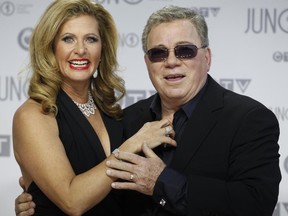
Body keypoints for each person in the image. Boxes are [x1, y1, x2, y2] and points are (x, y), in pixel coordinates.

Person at [15, 4, 281, 216]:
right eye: (159, 53)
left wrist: (163, 182)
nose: (172, 62)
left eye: (185, 51)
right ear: (147, 62)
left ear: (207, 58)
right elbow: (82, 195)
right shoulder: (129, 121)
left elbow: (255, 204)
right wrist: (40, 199)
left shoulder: (248, 119)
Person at [12, 0, 176, 215]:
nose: (80, 50)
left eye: (91, 39)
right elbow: (72, 201)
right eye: (68, 39)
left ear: (102, 50)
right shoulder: (34, 115)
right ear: (50, 47)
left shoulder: (112, 113)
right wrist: (133, 144)